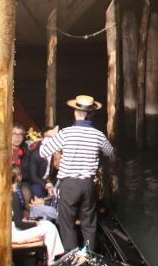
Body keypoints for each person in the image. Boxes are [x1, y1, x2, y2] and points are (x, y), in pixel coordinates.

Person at [39, 94, 114, 252]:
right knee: (88, 224)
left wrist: (49, 137)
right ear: (91, 114)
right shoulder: (98, 135)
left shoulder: (66, 133)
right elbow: (110, 153)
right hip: (88, 185)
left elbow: (43, 152)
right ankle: (88, 255)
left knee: (67, 224)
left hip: (69, 185)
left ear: (75, 112)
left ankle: (72, 257)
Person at [10, 165, 64, 262]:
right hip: (15, 233)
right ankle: (50, 261)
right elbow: (19, 224)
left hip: (14, 230)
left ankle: (52, 257)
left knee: (47, 224)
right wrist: (35, 223)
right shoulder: (14, 196)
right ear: (18, 177)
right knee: (50, 228)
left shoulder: (11, 193)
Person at [26, 125, 59, 198]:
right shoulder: (35, 154)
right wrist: (46, 184)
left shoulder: (56, 152)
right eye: (48, 137)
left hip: (51, 181)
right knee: (37, 190)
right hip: (38, 181)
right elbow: (33, 177)